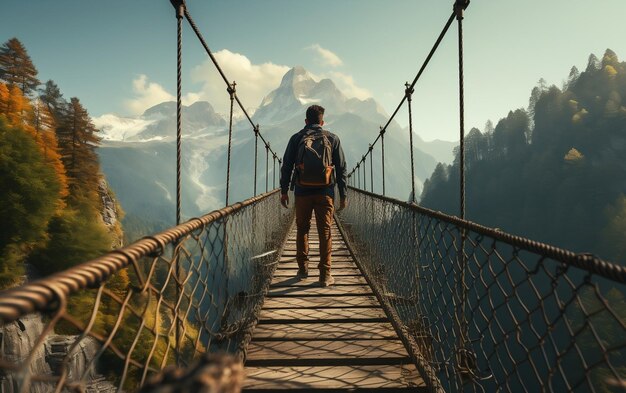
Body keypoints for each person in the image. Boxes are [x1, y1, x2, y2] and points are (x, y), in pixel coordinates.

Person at [279, 105, 347, 287]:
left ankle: (302, 269)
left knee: (302, 229)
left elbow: (286, 166)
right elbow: (341, 169)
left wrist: (284, 191)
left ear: (306, 122)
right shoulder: (332, 138)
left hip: (302, 192)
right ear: (322, 122)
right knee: (325, 231)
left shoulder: (296, 138)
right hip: (326, 193)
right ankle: (325, 275)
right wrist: (343, 194)